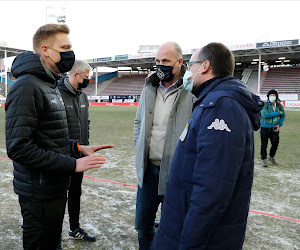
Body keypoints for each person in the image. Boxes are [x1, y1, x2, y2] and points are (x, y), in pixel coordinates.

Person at [150, 42, 263, 249]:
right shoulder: (212, 101)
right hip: (180, 226)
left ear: (205, 66)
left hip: (194, 237)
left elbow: (211, 192)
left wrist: (189, 245)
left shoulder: (221, 107)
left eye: (191, 65)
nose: (187, 72)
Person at [5, 24, 108, 250]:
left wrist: (76, 148)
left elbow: (48, 138)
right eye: (65, 47)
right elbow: (19, 148)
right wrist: (72, 164)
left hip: (54, 185)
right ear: (45, 50)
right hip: (38, 190)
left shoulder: (49, 84)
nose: (70, 53)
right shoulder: (27, 86)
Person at [133, 42, 194, 249]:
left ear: (179, 62)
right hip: (149, 170)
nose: (160, 66)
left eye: (165, 61)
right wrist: (138, 148)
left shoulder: (192, 88)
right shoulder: (149, 86)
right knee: (143, 225)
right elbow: (138, 122)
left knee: (174, 227)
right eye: (157, 61)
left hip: (177, 173)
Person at [58, 60, 113, 242]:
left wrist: (85, 146)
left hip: (80, 156)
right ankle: (53, 235)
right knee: (58, 197)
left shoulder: (82, 96)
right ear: (75, 75)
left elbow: (86, 124)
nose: (88, 81)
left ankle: (74, 229)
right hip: (61, 157)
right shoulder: (56, 94)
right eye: (86, 77)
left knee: (75, 194)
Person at [260, 89, 285, 167]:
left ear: (276, 96)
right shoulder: (264, 105)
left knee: (275, 144)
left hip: (275, 128)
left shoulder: (279, 105)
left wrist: (279, 125)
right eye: (271, 95)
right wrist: (278, 113)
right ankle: (264, 159)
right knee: (264, 145)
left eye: (274, 95)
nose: (272, 97)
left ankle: (271, 157)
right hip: (265, 128)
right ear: (268, 97)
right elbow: (265, 115)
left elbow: (283, 115)